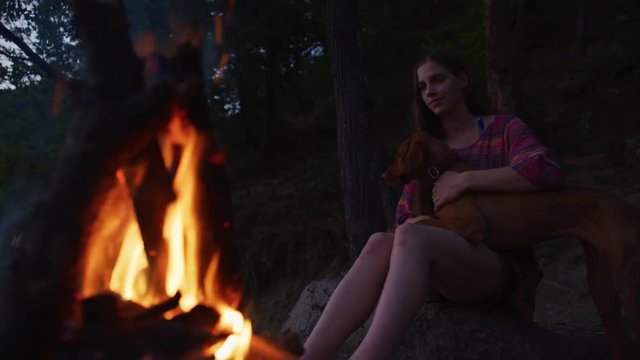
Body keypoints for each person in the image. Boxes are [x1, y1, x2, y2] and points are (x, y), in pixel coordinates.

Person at [301, 51, 564, 360]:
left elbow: (546, 171)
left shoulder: (504, 129)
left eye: (439, 80)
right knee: (379, 241)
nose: (431, 92)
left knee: (413, 236)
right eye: (423, 87)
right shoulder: (427, 149)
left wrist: (466, 181)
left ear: (462, 79)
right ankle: (307, 356)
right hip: (436, 272)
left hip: (496, 271)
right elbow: (405, 218)